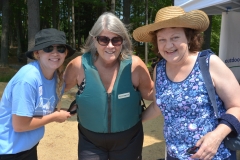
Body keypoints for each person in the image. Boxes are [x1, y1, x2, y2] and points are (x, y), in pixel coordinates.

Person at [133, 6, 240, 160]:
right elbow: (159, 105)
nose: (168, 45)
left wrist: (216, 137)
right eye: (162, 39)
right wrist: (129, 122)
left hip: (214, 155)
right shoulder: (160, 69)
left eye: (175, 37)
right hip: (174, 155)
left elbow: (237, 106)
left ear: (189, 37)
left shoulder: (209, 63)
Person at [64, 12, 153, 160]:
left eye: (116, 40)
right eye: (104, 40)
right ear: (94, 40)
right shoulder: (79, 65)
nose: (110, 46)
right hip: (90, 141)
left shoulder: (134, 66)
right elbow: (54, 91)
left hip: (129, 141)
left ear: (123, 41)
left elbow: (154, 94)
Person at [0, 28, 75, 160]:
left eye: (60, 49)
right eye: (48, 48)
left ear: (65, 53)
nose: (55, 53)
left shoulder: (56, 79)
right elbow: (20, 125)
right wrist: (54, 117)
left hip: (28, 147)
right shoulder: (27, 79)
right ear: (37, 53)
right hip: (9, 151)